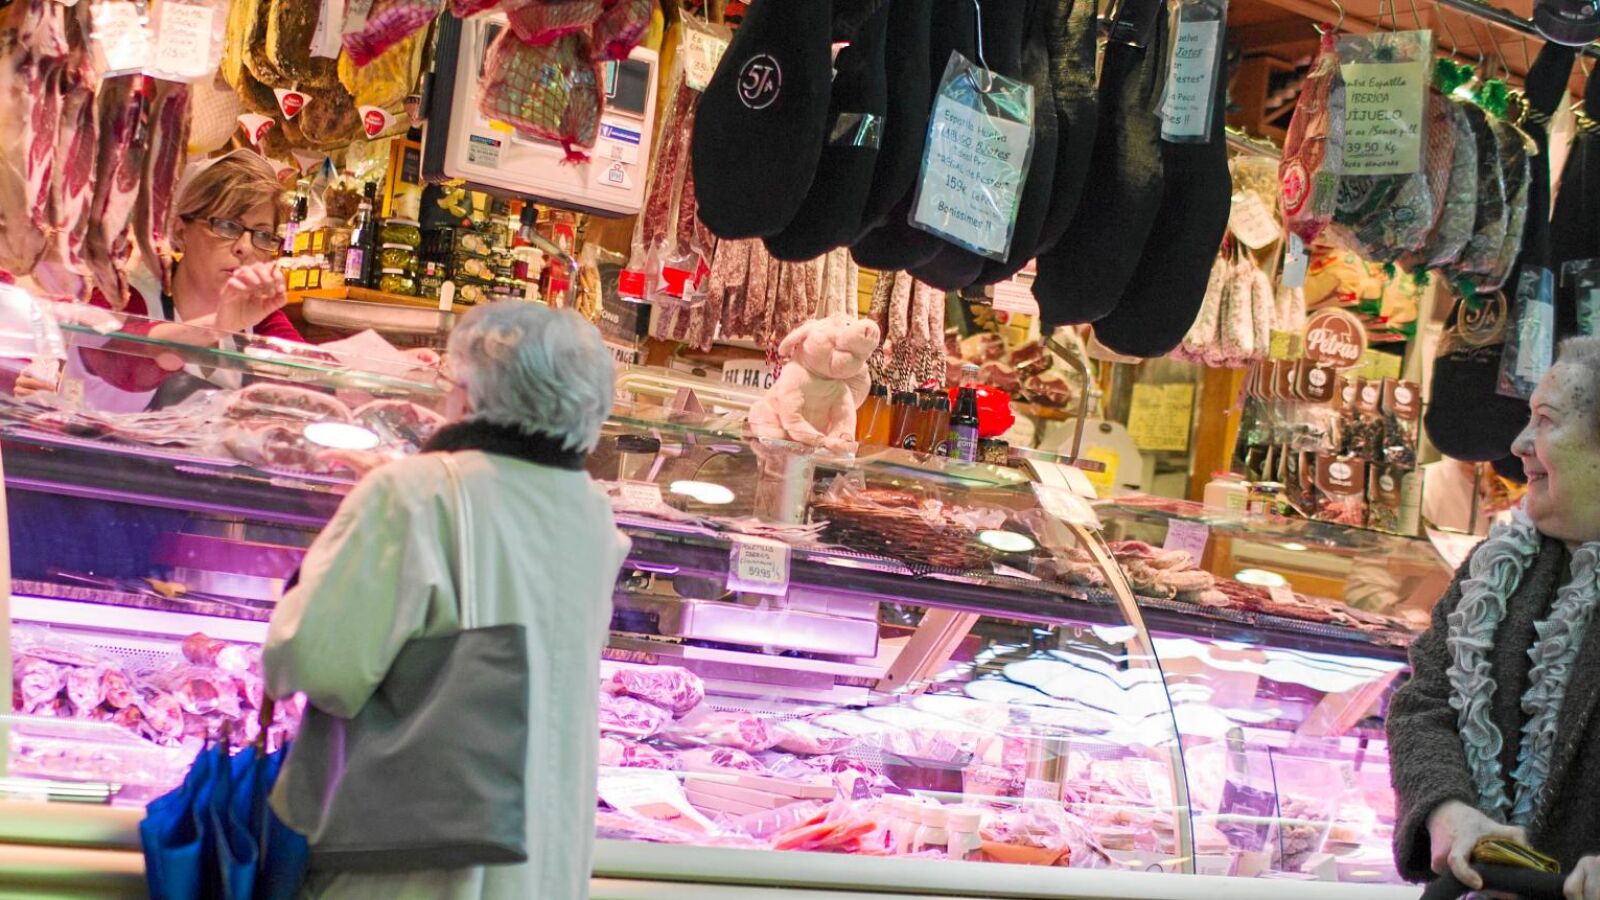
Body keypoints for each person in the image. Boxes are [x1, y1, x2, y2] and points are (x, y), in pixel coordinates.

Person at [262, 302, 628, 900]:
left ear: (471, 390)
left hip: (413, 865)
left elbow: (317, 666)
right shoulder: (592, 514)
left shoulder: (414, 492)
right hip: (545, 864)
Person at [1389, 335, 1600, 900]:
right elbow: (1425, 701)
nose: (1519, 443)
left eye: (1545, 421)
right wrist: (1446, 809)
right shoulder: (1498, 567)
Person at [15, 149, 301, 407]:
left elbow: (311, 375)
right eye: (227, 225)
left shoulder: (257, 316)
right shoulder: (126, 297)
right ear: (180, 231)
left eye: (263, 235)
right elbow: (123, 363)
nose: (245, 247)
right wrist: (217, 327)